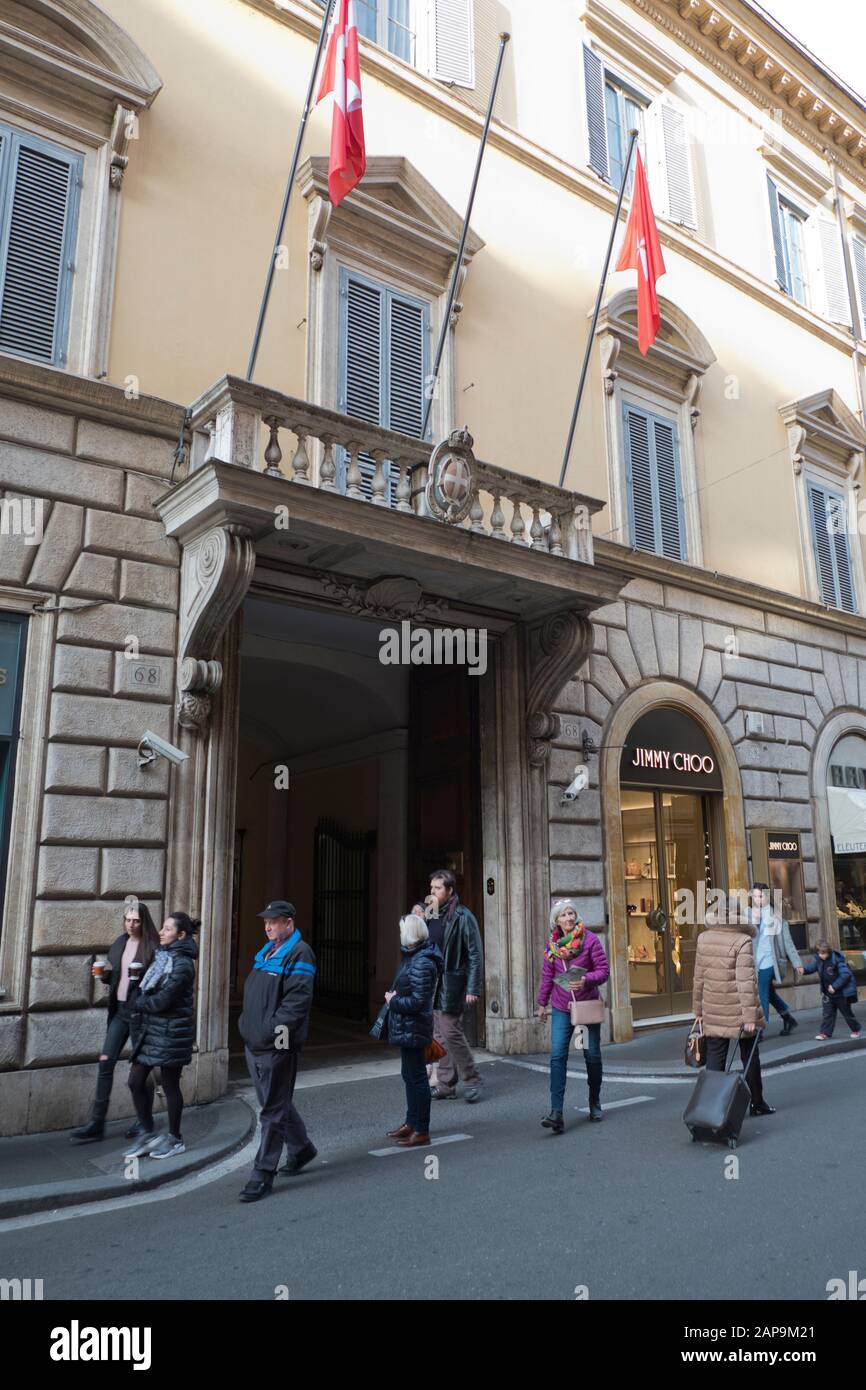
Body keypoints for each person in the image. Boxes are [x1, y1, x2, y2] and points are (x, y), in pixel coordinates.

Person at [237, 900, 317, 1203]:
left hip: (277, 1044)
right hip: (255, 1042)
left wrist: (270, 1033)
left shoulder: (300, 953)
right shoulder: (266, 953)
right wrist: (247, 1026)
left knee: (272, 1109)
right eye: (266, 922)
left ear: (289, 923)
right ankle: (301, 1148)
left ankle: (262, 1174)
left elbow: (296, 1004)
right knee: (275, 1101)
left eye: (274, 921)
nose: (268, 926)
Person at [71, 899, 160, 1144]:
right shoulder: (120, 943)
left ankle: (144, 1120)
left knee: (141, 1069)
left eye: (136, 920)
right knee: (105, 1061)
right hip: (119, 1012)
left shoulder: (152, 947)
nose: (131, 925)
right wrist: (105, 976)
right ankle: (97, 1123)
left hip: (140, 1014)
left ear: (144, 922)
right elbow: (117, 978)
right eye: (128, 920)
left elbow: (156, 983)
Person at [124, 911, 200, 1160]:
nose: (161, 932)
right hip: (153, 1030)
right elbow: (150, 993)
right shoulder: (162, 956)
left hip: (172, 1033)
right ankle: (147, 1133)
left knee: (169, 1085)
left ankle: (175, 1138)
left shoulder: (183, 964)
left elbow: (162, 1001)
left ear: (181, 935)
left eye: (167, 929)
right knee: (135, 1081)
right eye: (163, 928)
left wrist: (138, 1002)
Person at [692, 891, 774, 1116]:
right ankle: (757, 1102)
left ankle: (710, 1108)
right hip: (739, 1012)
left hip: (713, 1009)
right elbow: (745, 981)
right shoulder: (742, 939)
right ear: (739, 914)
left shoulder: (704, 938)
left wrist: (698, 1010)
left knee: (715, 1061)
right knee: (750, 1056)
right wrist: (750, 1017)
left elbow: (698, 978)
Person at [537, 899, 610, 1133]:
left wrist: (586, 979)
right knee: (557, 1056)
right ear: (556, 921)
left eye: (572, 914)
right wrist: (541, 1004)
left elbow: (603, 971)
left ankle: (594, 1101)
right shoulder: (553, 947)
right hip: (561, 1006)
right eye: (564, 915)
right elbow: (548, 976)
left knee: (592, 1055)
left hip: (586, 1006)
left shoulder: (589, 940)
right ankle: (556, 1112)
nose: (569, 918)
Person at [385, 913, 443, 1148]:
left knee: (417, 1078)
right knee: (409, 1076)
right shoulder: (413, 957)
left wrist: (393, 1002)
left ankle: (421, 1129)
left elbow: (419, 1001)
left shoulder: (422, 962)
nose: (400, 935)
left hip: (414, 1027)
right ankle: (411, 1122)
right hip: (407, 1027)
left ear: (410, 934)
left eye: (402, 931)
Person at [427, 870, 484, 1103]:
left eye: (437, 888)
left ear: (450, 891)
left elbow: (475, 954)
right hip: (432, 984)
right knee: (438, 1035)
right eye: (431, 888)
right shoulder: (430, 914)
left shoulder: (463, 916)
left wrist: (473, 988)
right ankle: (446, 1083)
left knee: (451, 1031)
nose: (432, 892)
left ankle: (472, 1078)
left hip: (452, 983)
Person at [752, 882, 804, 1035]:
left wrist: (797, 963)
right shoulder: (752, 915)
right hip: (757, 961)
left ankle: (759, 1030)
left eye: (760, 896)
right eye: (754, 896)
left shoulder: (777, 917)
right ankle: (788, 1018)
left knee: (762, 993)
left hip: (770, 961)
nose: (757, 899)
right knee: (770, 993)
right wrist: (754, 921)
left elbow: (788, 942)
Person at [803, 939, 861, 1040]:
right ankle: (825, 1033)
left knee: (847, 1013)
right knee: (827, 1014)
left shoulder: (837, 960)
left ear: (828, 952)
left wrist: (834, 986)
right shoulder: (819, 961)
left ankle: (855, 1029)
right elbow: (812, 967)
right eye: (820, 953)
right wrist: (803, 970)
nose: (822, 955)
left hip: (841, 994)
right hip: (828, 994)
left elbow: (846, 975)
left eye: (824, 953)